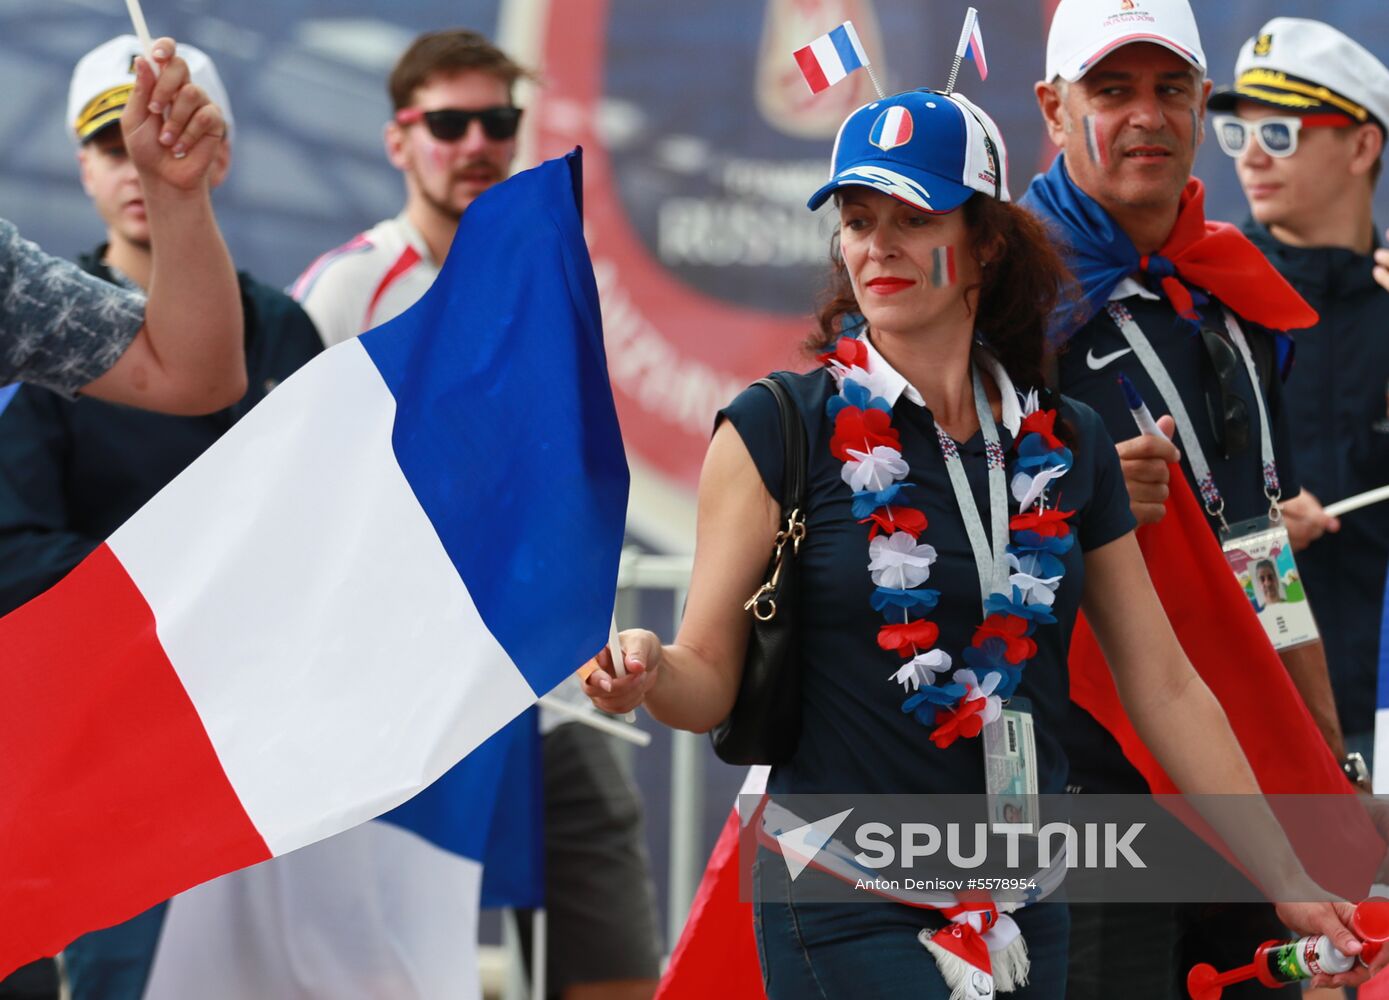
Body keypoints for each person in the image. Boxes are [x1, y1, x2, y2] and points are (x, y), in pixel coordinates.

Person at [582, 86, 1375, 999]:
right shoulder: (776, 427)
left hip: (1025, 909)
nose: (877, 243)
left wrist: (1288, 882)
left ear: (987, 243)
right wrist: (648, 669)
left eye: (913, 217)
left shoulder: (1069, 441)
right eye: (856, 217)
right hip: (846, 898)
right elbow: (709, 677)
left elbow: (1163, 688)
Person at [292, 29, 661, 1000]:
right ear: (397, 141)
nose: (475, 144)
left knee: (615, 963)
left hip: (545, 681)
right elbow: (298, 493)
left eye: (496, 122)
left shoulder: (550, 280)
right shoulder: (348, 287)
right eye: (446, 123)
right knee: (393, 974)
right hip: (399, 702)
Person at [1020, 0, 1360, 994]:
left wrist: (1322, 748)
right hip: (1081, 786)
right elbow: (903, 521)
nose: (1146, 117)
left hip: (1244, 783)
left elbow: (1258, 539)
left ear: (1204, 103)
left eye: (1171, 89)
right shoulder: (994, 297)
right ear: (1052, 107)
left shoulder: (1228, 291)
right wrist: (1069, 491)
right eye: (1111, 90)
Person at [0, 37, 324, 1000]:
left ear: (213, 148)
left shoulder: (280, 330)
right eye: (107, 143)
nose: (131, 164)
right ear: (80, 162)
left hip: (266, 735)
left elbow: (322, 513)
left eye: (143, 138)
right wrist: (192, 601)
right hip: (110, 735)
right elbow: (17, 553)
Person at [1209, 17, 1389, 779]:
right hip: (1243, 721)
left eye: (1279, 132)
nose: (1250, 154)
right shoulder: (1200, 301)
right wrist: (1244, 524)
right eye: (1237, 132)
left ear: (1359, 145)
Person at [1, 36, 245, 415]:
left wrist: (176, 190)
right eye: (116, 151)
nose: (139, 172)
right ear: (85, 169)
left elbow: (198, 381)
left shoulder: (281, 320)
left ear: (220, 156)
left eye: (172, 140)